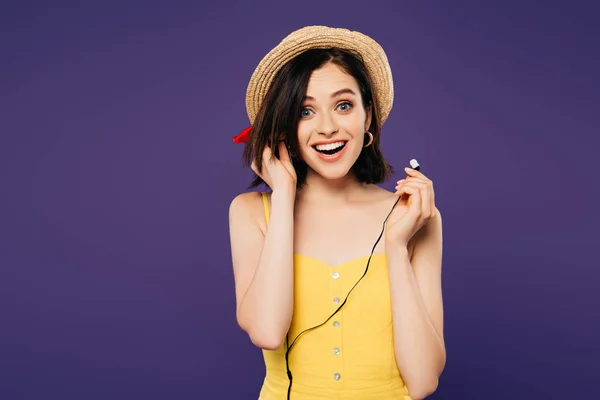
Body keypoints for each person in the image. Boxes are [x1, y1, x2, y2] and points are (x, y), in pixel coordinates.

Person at [228, 25, 445, 400]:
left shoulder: (414, 217)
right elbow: (267, 332)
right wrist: (283, 195)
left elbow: (423, 382)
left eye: (343, 105)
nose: (327, 127)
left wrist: (395, 245)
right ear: (284, 128)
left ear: (367, 117)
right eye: (305, 111)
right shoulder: (251, 212)